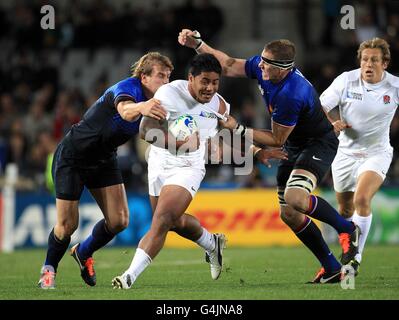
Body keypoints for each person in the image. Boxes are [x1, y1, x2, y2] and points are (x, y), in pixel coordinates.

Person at [178, 29, 361, 283]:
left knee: (296, 197)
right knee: (289, 213)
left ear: (283, 68)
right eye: (261, 60)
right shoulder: (266, 67)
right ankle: (331, 268)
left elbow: (277, 139)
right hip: (295, 144)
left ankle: (347, 228)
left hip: (317, 143)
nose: (259, 64)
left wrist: (237, 128)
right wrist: (199, 45)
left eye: (266, 63)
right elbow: (229, 64)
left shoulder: (290, 93)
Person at [111, 53, 287, 289]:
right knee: (171, 221)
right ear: (191, 78)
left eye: (215, 82)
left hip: (189, 166)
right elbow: (146, 130)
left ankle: (128, 277)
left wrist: (256, 152)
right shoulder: (169, 94)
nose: (210, 88)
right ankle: (211, 243)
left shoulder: (220, 105)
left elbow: (230, 133)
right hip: (159, 162)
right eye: (205, 81)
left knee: (162, 220)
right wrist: (180, 144)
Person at [37, 52, 174, 289]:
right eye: (161, 76)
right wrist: (143, 107)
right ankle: (48, 270)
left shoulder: (160, 103)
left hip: (104, 158)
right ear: (144, 77)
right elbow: (125, 111)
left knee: (119, 220)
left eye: (169, 77)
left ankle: (83, 252)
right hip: (74, 155)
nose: (166, 82)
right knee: (67, 225)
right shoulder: (127, 88)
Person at [320, 37, 399, 274]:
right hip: (345, 154)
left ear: (384, 63)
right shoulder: (346, 80)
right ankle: (348, 245)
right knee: (344, 212)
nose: (368, 64)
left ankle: (354, 260)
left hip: (377, 154)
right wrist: (332, 122)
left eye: (374, 60)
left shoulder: (395, 87)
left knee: (362, 200)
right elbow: (319, 106)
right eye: (365, 59)